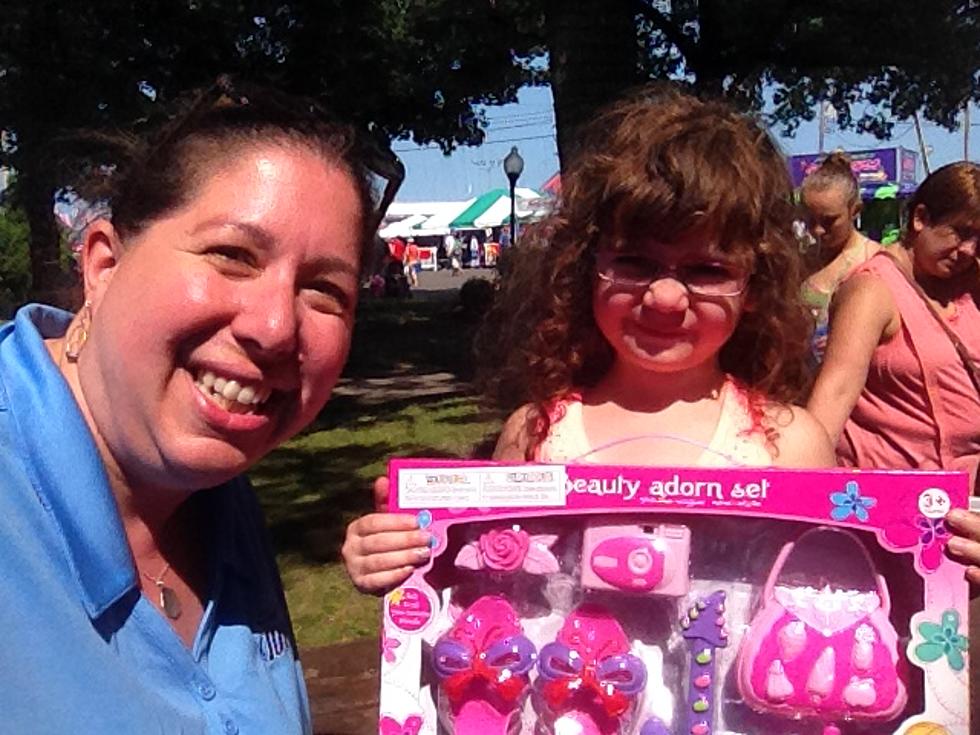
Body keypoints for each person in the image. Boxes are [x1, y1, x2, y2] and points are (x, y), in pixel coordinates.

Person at [0, 77, 401, 733]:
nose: (276, 327)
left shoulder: (212, 485)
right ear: (103, 265)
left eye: (324, 291)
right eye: (233, 254)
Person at [342, 86, 837, 594]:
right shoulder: (534, 435)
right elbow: (482, 592)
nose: (665, 297)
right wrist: (402, 553)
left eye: (707, 270)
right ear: (588, 265)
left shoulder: (791, 446)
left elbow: (835, 601)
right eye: (634, 262)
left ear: (754, 284)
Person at [800, 152, 882, 362]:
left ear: (855, 211)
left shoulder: (878, 261)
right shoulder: (801, 263)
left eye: (828, 221)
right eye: (811, 219)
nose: (817, 230)